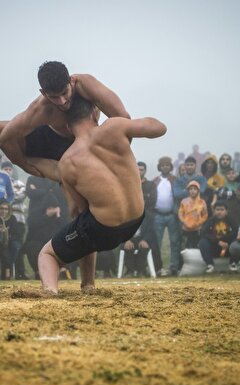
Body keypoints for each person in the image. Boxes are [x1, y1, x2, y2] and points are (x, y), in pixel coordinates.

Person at [0, 61, 130, 211]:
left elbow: (124, 120)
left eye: (64, 93)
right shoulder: (39, 108)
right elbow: (6, 137)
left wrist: (117, 155)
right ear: (43, 93)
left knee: (80, 211)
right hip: (48, 142)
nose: (61, 101)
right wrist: (23, 163)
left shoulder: (89, 85)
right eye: (53, 97)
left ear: (72, 81)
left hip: (83, 145)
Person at [28, 96, 165, 293]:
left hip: (104, 229)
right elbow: (159, 128)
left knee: (47, 254)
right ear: (95, 112)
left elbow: (77, 210)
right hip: (136, 218)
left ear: (66, 126)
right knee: (87, 224)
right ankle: (88, 285)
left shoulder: (68, 162)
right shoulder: (115, 127)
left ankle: (50, 291)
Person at [152, 156, 181, 275]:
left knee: (175, 241)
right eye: (163, 165)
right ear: (160, 167)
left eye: (167, 165)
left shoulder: (175, 179)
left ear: (171, 167)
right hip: (158, 215)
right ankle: (157, 268)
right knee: (156, 242)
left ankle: (174, 267)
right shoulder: (155, 181)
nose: (165, 167)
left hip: (172, 215)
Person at [198, 201, 236, 273]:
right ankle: (210, 265)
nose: (219, 212)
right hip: (215, 246)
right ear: (214, 211)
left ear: (226, 211)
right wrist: (218, 241)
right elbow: (203, 233)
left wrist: (227, 242)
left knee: (236, 242)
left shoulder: (231, 220)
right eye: (217, 210)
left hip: (228, 247)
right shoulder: (210, 221)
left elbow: (236, 232)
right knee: (202, 242)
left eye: (222, 210)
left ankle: (233, 264)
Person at [178, 181, 208, 249]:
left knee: (196, 247)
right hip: (185, 229)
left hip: (197, 229)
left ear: (198, 190)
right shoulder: (184, 201)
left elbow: (205, 215)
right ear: (188, 191)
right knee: (184, 247)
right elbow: (180, 213)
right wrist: (184, 222)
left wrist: (199, 223)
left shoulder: (202, 202)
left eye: (195, 189)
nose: (192, 191)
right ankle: (184, 259)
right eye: (191, 189)